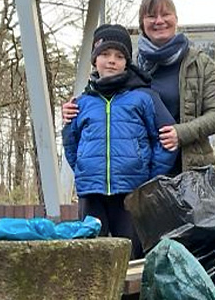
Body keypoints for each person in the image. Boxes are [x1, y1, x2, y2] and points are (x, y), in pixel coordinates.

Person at [63, 0, 215, 172]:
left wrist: (180, 133)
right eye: (151, 16)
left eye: (165, 14)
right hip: (142, 176)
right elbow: (102, 101)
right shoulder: (130, 65)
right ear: (142, 23)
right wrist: (73, 110)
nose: (159, 21)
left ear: (176, 19)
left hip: (193, 170)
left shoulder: (200, 63)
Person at [63, 24, 177, 259]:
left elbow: (166, 139)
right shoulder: (81, 103)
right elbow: (71, 142)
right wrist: (85, 168)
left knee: (131, 259)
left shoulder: (144, 97)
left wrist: (147, 176)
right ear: (95, 60)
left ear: (127, 61)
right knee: (89, 258)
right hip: (91, 193)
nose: (111, 61)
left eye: (119, 56)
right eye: (104, 54)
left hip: (130, 193)